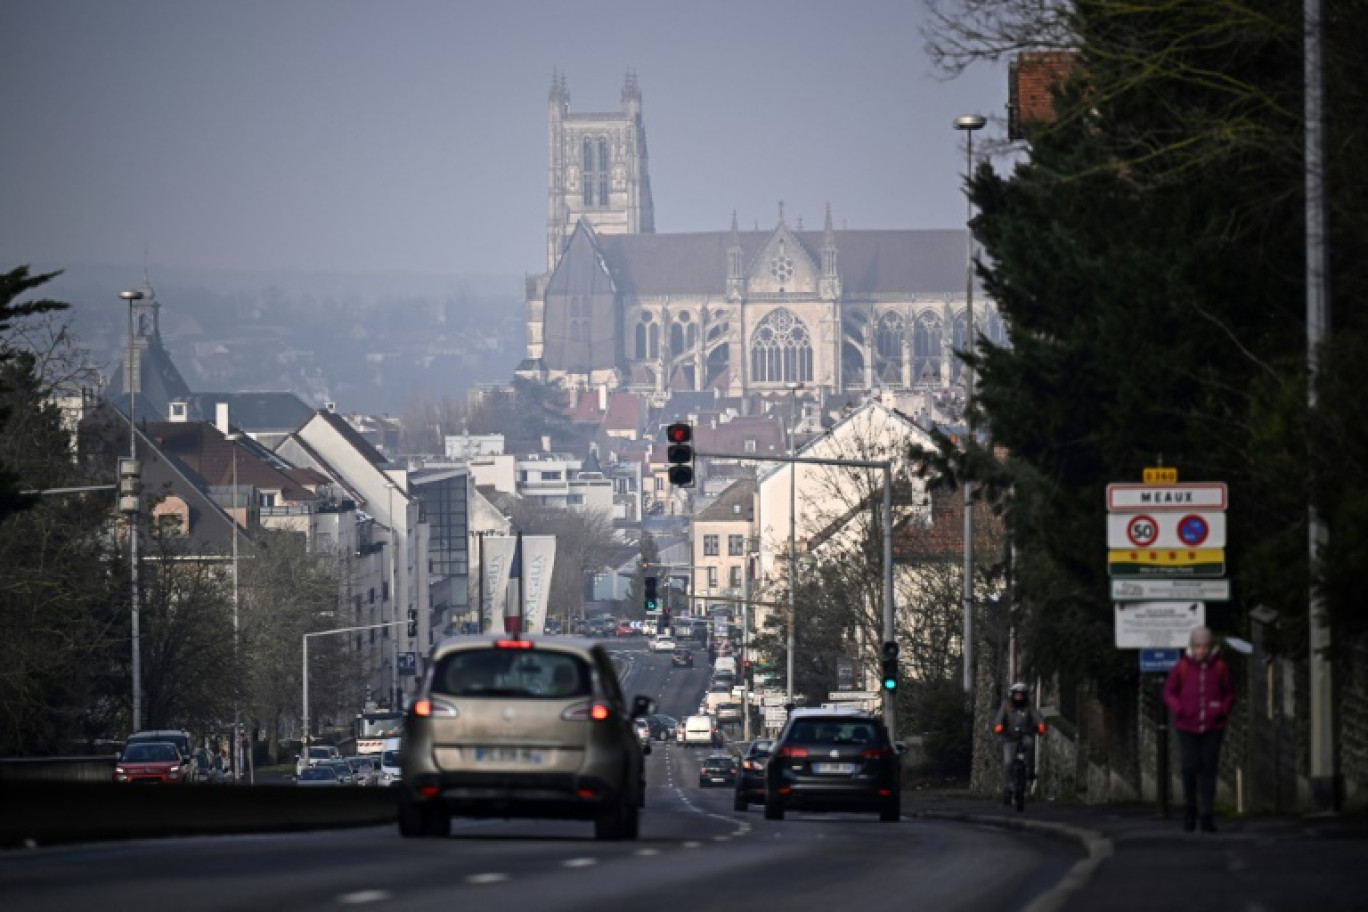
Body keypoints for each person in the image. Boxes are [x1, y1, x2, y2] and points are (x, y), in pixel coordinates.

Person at [1163, 626, 1235, 833]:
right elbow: (1169, 692)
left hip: (1213, 727)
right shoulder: (1181, 668)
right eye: (1198, 646)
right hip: (1187, 726)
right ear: (1192, 646)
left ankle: (1206, 815)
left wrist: (1222, 709)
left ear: (1210, 646)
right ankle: (1190, 811)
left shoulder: (1220, 667)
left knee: (1209, 771)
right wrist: (1180, 709)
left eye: (1205, 646)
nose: (1202, 651)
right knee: (1189, 768)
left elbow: (1230, 693)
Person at [993, 681, 1047, 805]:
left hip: (1025, 735)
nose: (1018, 697)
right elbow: (999, 719)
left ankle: (1029, 773)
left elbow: (1038, 717)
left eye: (1021, 694)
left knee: (1030, 745)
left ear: (1025, 695)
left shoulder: (1029, 706)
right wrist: (999, 726)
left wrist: (1041, 725)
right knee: (1008, 762)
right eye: (1016, 694)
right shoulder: (1006, 705)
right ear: (1012, 695)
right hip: (1009, 738)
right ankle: (1009, 786)